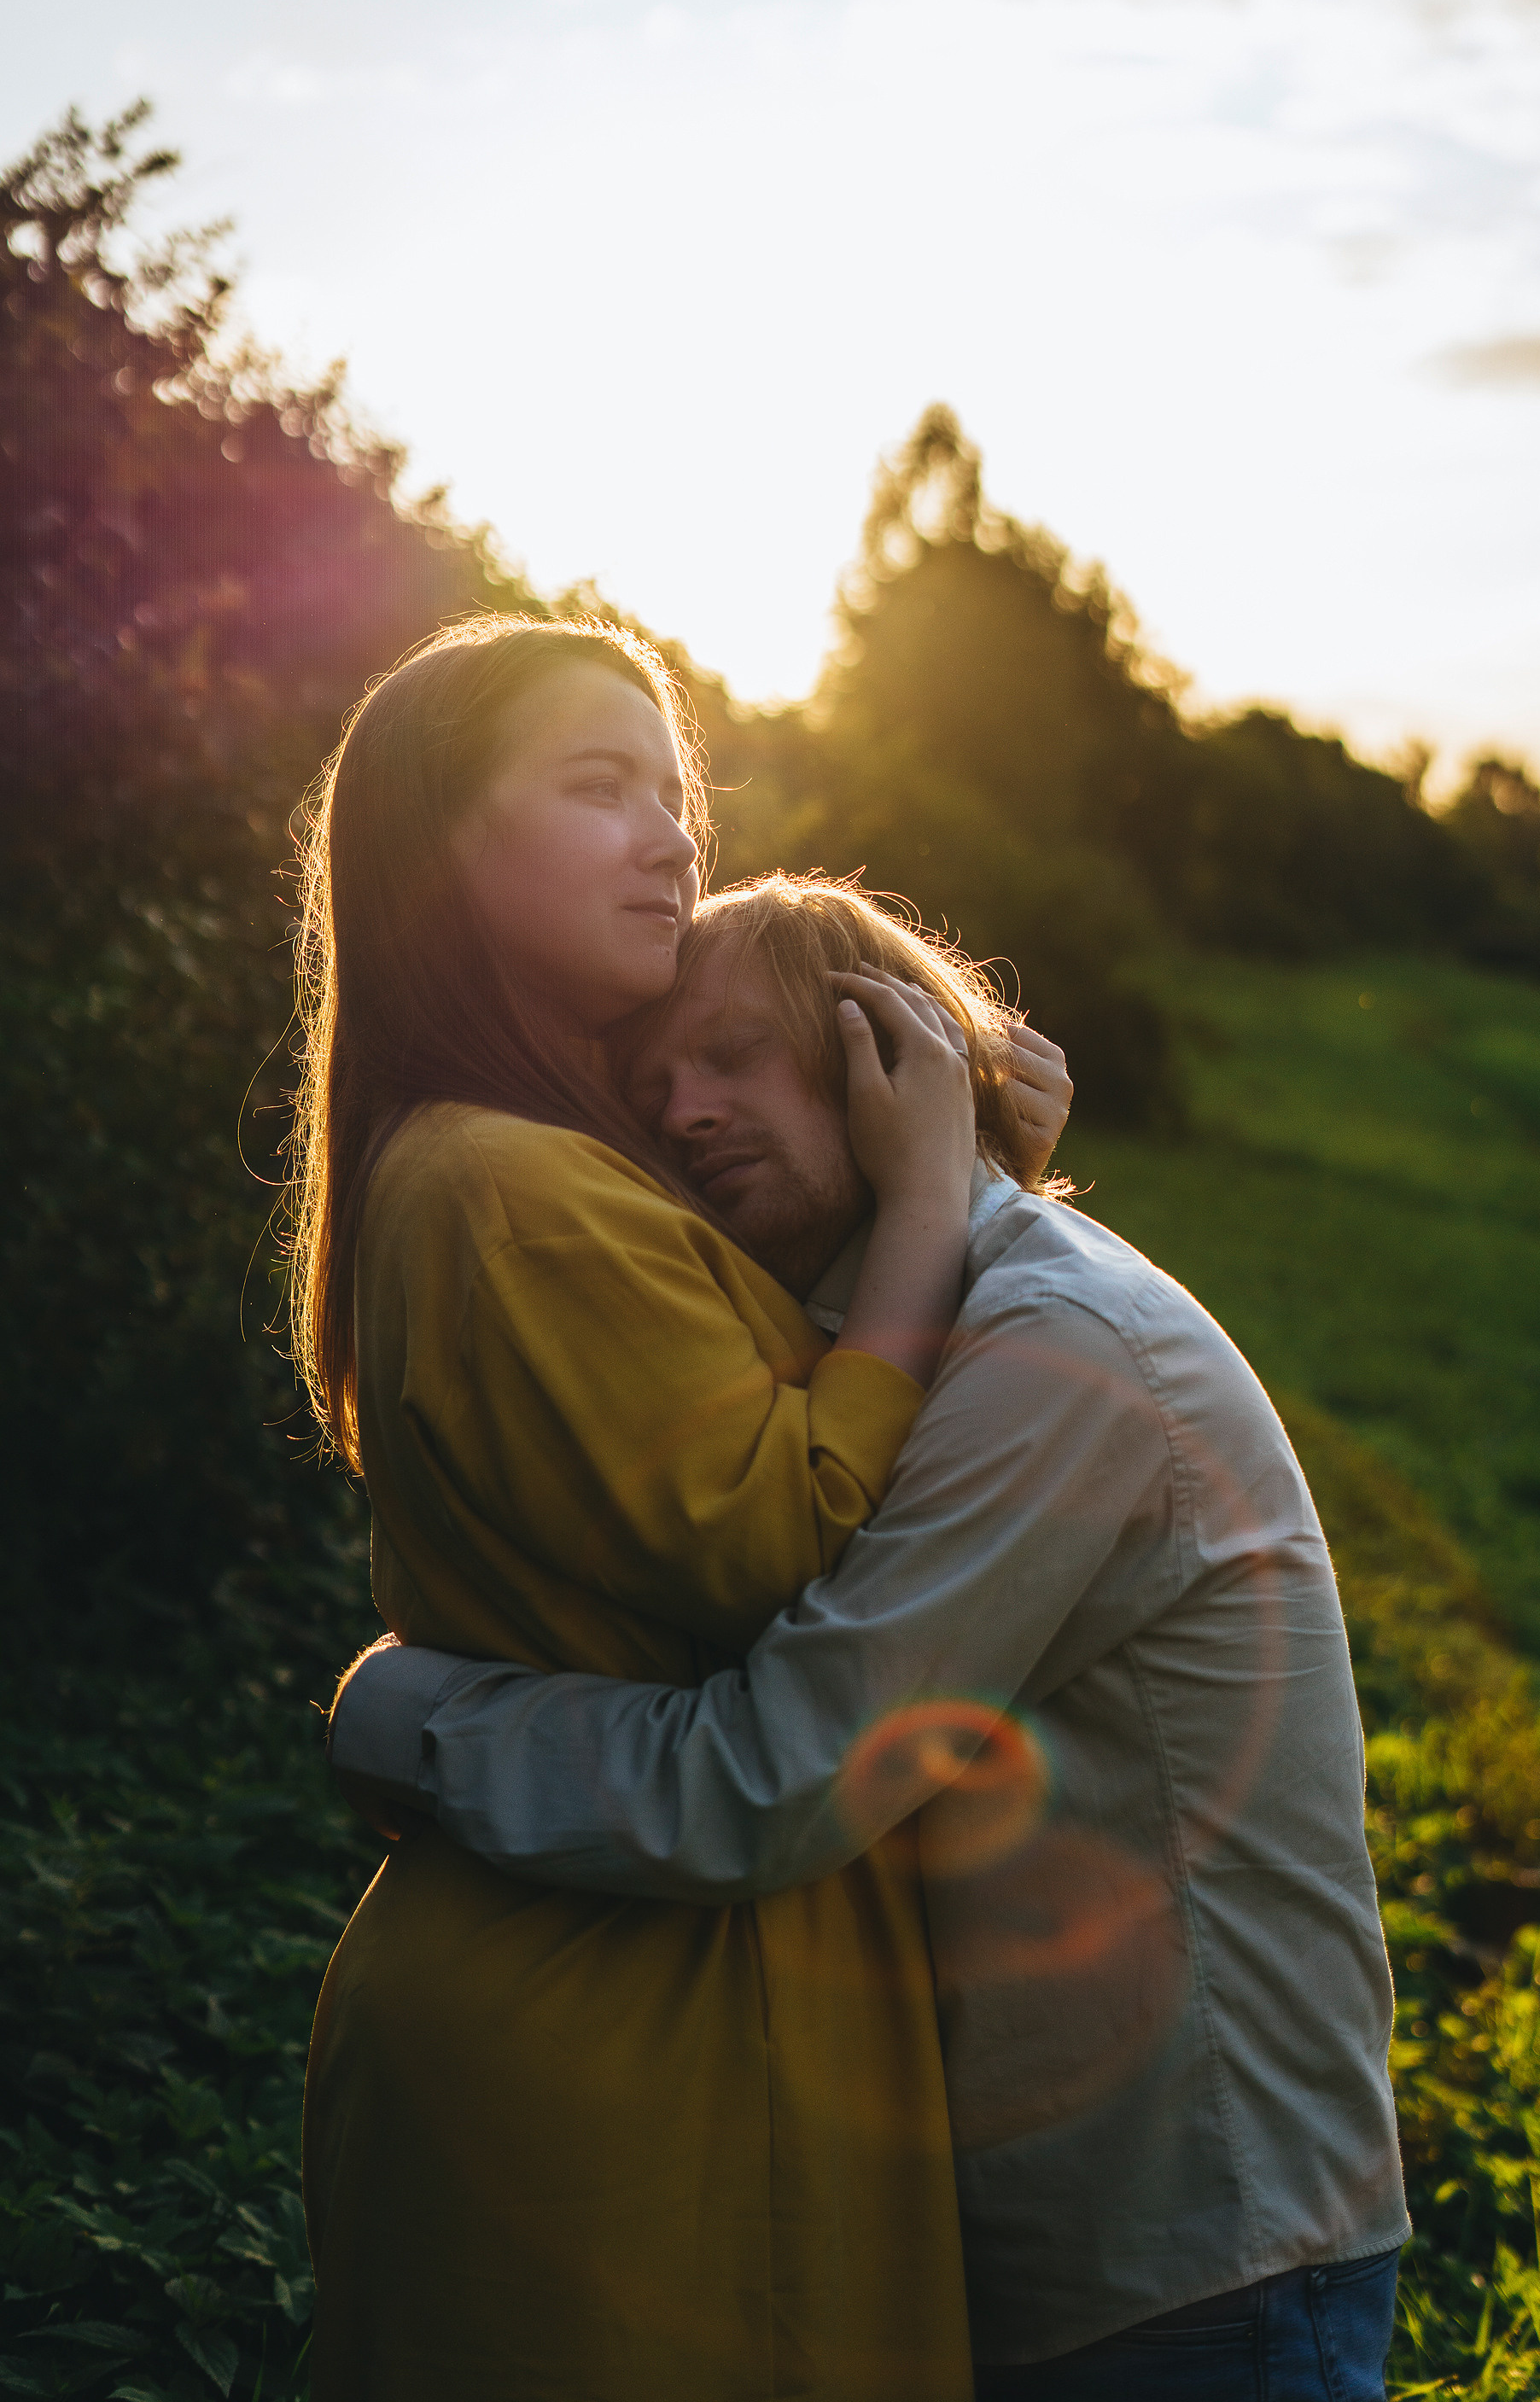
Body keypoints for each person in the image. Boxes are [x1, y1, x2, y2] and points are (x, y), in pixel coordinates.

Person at [335, 875, 1413, 2401]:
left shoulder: (1059, 1350)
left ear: (886, 1062)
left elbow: (778, 1775)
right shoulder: (882, 1341)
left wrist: (415, 1723)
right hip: (1056, 2254)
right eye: (652, 1087)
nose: (685, 1113)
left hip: (1189, 2260)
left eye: (735, 1057)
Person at [291, 614, 1070, 2402]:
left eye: (675, 799)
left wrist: (959, 1153)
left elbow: (761, 1368)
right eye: (599, 789)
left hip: (656, 1962)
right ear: (434, 851)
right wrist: (931, 1212)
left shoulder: (562, 1170)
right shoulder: (503, 1186)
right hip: (611, 2023)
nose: (669, 842)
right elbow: (784, 1526)